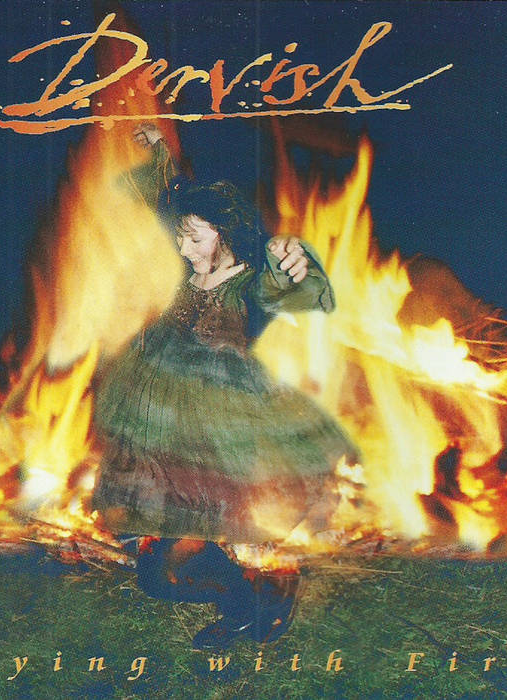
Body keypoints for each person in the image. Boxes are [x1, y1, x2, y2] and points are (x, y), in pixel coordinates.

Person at [92, 124, 359, 648]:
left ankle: (263, 601)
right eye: (183, 237)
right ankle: (251, 595)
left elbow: (306, 294)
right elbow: (168, 202)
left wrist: (296, 264)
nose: (184, 246)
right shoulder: (187, 271)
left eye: (196, 237)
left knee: (174, 564)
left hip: (217, 436)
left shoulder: (250, 285)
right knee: (157, 574)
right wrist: (161, 153)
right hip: (161, 431)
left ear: (226, 234)